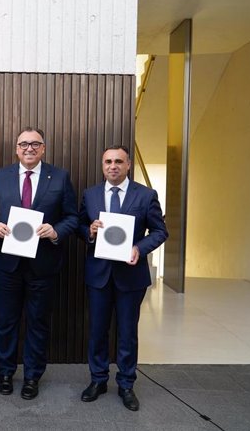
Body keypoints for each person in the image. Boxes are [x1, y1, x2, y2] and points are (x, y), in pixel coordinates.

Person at [0, 127, 78, 400]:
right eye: (23, 144)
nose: (29, 149)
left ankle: (33, 376)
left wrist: (56, 230)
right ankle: (5, 371)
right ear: (16, 148)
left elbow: (72, 216)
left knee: (38, 322)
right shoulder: (1, 176)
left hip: (43, 265)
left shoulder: (59, 177)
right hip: (7, 264)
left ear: (43, 148)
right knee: (6, 321)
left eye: (35, 144)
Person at [77, 145, 167, 411]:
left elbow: (160, 231)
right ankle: (98, 379)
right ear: (102, 165)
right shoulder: (90, 194)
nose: (113, 166)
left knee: (127, 333)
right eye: (108, 162)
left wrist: (139, 248)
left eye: (118, 161)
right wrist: (90, 231)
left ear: (128, 165)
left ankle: (127, 384)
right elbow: (81, 225)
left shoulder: (146, 195)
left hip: (131, 276)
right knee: (97, 331)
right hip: (99, 275)